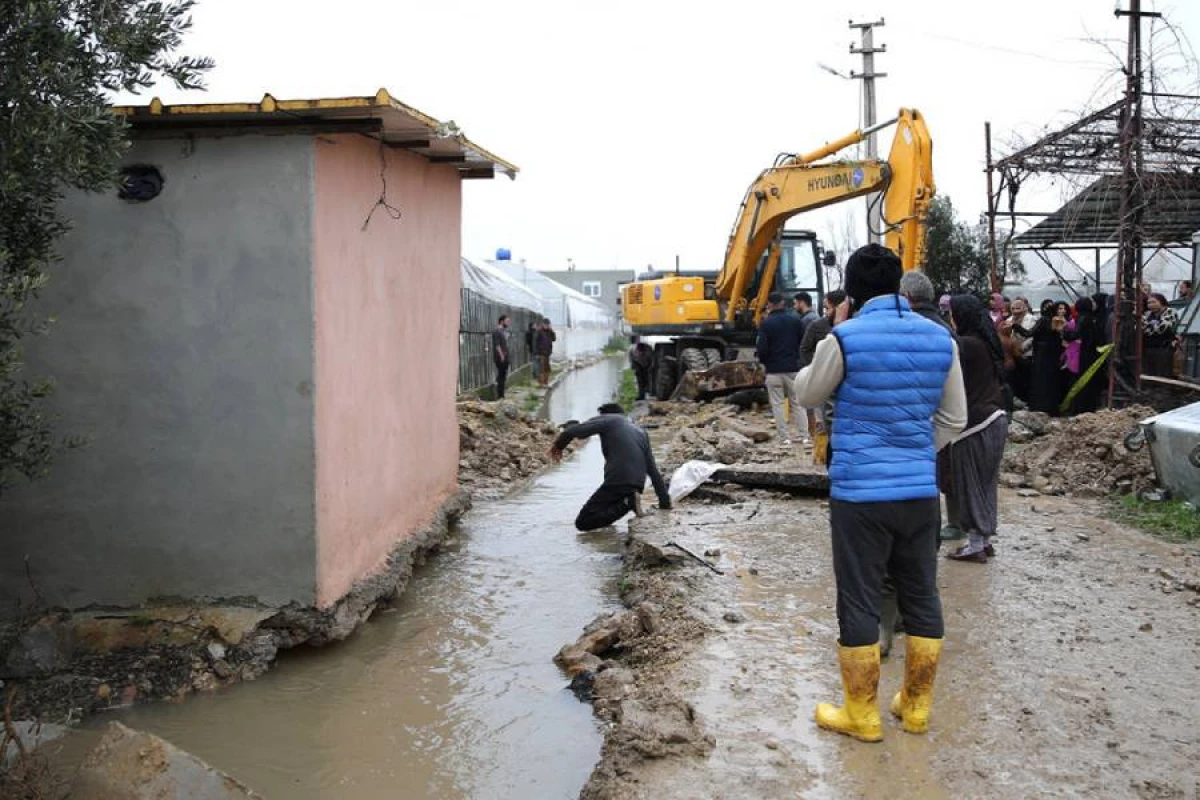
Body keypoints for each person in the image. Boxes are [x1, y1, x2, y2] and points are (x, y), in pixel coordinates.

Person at [794, 243, 967, 742]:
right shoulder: (941, 339)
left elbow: (806, 393)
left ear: (849, 292)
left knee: (859, 598)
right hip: (918, 491)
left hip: (859, 495)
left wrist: (835, 328)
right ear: (899, 286)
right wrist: (911, 450)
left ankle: (862, 715)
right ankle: (915, 708)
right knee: (921, 592)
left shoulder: (843, 339)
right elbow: (955, 418)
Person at [943, 295, 1009, 563]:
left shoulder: (965, 346)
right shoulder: (985, 343)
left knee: (969, 484)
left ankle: (974, 545)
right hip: (995, 419)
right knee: (986, 484)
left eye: (952, 314)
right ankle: (983, 540)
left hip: (975, 425)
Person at [549, 403, 671, 531]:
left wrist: (558, 446)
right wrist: (665, 502)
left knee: (583, 522)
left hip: (618, 481)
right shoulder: (640, 431)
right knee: (603, 513)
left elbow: (573, 432)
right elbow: (653, 471)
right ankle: (628, 502)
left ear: (604, 415)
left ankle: (628, 502)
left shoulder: (608, 420)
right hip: (636, 484)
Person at [798, 290, 845, 465]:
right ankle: (821, 457)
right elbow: (804, 349)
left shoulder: (852, 327)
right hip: (825, 384)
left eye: (828, 308)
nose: (826, 312)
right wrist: (817, 369)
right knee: (822, 421)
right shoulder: (817, 327)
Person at [757, 291, 808, 444]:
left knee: (777, 404)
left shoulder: (766, 323)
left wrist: (765, 362)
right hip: (793, 369)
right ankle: (804, 436)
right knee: (798, 403)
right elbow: (802, 343)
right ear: (783, 304)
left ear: (770, 305)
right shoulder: (795, 321)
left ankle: (785, 438)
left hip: (773, 370)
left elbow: (762, 348)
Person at [1063, 297, 1104, 413]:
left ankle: (1081, 408)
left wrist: (1065, 332)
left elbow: (1075, 335)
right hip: (1091, 352)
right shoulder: (1091, 317)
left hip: (1085, 353)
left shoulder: (1083, 318)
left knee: (1083, 380)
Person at [1029, 300, 1065, 414]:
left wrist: (1014, 326)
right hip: (1051, 355)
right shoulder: (1052, 320)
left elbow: (1029, 333)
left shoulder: (1045, 320)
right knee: (1050, 381)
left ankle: (1041, 407)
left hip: (1043, 354)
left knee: (1042, 381)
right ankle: (1050, 407)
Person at [1001, 297, 1035, 402]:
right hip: (1013, 354)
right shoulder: (1008, 320)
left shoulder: (1032, 319)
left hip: (1026, 354)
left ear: (1025, 308)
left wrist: (1022, 348)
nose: (1015, 311)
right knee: (1015, 379)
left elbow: (1032, 336)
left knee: (1027, 378)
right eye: (1013, 308)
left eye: (1018, 308)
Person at [1143, 293, 1179, 377]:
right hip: (1149, 349)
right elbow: (1140, 329)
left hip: (1164, 349)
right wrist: (1149, 327)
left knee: (1163, 375)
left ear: (1161, 301)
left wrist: (1147, 326)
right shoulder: (1148, 314)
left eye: (1153, 302)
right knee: (1150, 375)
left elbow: (1160, 329)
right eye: (1149, 303)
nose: (1150, 305)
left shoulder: (1170, 312)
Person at [629, 336, 654, 400]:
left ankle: (648, 391)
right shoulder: (633, 351)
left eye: (642, 352)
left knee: (648, 379)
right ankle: (641, 395)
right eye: (640, 352)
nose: (641, 353)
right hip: (638, 365)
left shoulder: (648, 350)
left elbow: (652, 360)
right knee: (640, 380)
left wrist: (650, 367)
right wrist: (635, 370)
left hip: (647, 364)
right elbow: (632, 361)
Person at [492, 315, 511, 399]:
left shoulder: (502, 331)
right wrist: (502, 355)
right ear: (501, 321)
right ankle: (500, 396)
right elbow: (497, 345)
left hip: (504, 357)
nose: (508, 323)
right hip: (500, 358)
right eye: (507, 321)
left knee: (503, 376)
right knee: (501, 376)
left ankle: (501, 394)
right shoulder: (497, 331)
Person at [533, 319, 556, 386]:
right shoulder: (539, 331)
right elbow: (535, 343)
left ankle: (545, 382)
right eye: (545, 324)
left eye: (548, 324)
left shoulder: (549, 331)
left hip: (547, 353)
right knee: (542, 369)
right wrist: (536, 353)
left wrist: (552, 331)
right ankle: (542, 383)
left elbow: (554, 339)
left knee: (547, 369)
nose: (547, 326)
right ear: (543, 324)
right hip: (541, 353)